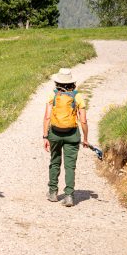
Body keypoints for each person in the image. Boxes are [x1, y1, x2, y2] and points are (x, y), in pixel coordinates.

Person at [43, 66, 88, 207]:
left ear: (58, 82)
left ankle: (52, 192)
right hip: (72, 134)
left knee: (55, 161)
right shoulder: (78, 96)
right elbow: (84, 120)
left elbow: (47, 117)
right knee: (70, 166)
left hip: (55, 134)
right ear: (72, 82)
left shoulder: (53, 95)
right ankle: (69, 196)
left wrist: (45, 136)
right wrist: (85, 138)